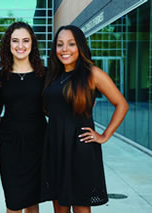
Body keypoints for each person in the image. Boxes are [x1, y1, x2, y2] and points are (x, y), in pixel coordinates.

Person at [41, 25, 129, 213]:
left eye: (71, 44)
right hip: (55, 146)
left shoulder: (92, 73)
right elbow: (52, 108)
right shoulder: (53, 75)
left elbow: (121, 104)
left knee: (81, 206)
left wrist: (104, 135)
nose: (64, 49)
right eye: (60, 44)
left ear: (80, 46)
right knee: (59, 206)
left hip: (80, 148)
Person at [0, 22, 47, 213]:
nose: (20, 46)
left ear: (32, 44)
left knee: (33, 201)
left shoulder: (45, 74)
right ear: (8, 45)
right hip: (9, 144)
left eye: (25, 41)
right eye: (15, 41)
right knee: (14, 201)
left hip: (38, 142)